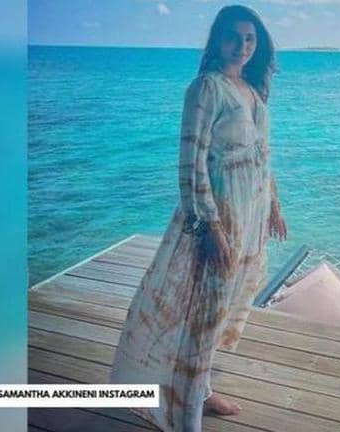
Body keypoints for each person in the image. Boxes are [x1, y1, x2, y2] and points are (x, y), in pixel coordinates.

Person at [109, 5, 287, 431]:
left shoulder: (251, 90)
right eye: (233, 37)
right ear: (217, 41)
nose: (242, 46)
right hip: (218, 221)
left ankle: (200, 394)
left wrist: (275, 206)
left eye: (250, 38)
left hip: (249, 220)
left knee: (219, 314)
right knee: (202, 320)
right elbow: (192, 165)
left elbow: (262, 157)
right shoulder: (206, 88)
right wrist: (211, 226)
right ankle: (185, 416)